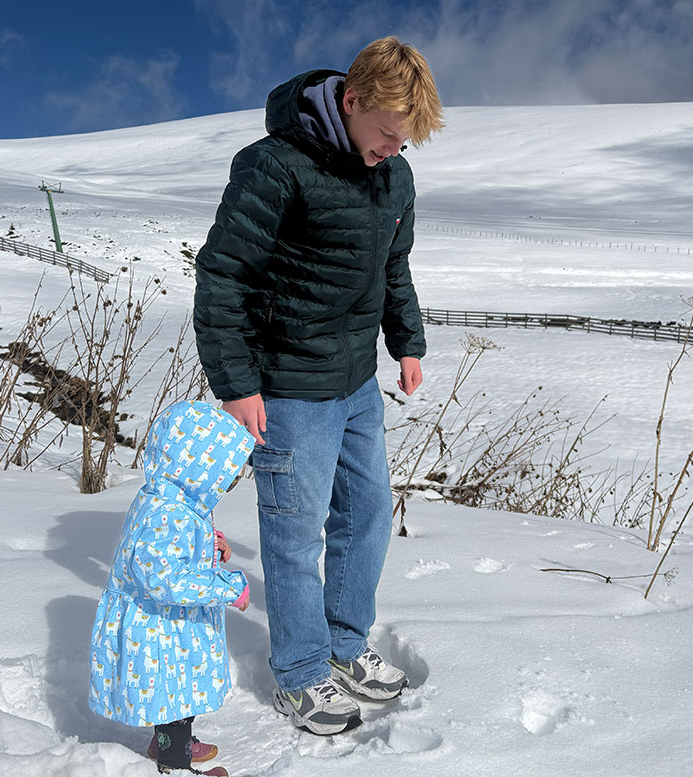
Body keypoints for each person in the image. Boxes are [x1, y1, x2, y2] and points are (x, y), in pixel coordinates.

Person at [192, 36, 444, 736]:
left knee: (366, 513)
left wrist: (408, 342)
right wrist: (237, 382)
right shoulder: (275, 165)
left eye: (406, 140)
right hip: (288, 386)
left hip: (356, 381)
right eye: (387, 134)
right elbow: (223, 275)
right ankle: (301, 673)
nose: (395, 149)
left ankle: (343, 640)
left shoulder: (394, 178)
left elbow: (394, 270)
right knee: (294, 532)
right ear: (351, 100)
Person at [89, 400, 255, 775]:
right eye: (221, 475)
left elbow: (178, 544)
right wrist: (228, 586)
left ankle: (166, 741)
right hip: (156, 629)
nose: (226, 484)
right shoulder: (167, 512)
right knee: (174, 694)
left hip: (168, 625)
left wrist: (212, 542)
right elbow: (165, 578)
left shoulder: (174, 498)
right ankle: (175, 764)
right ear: (195, 466)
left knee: (182, 690)